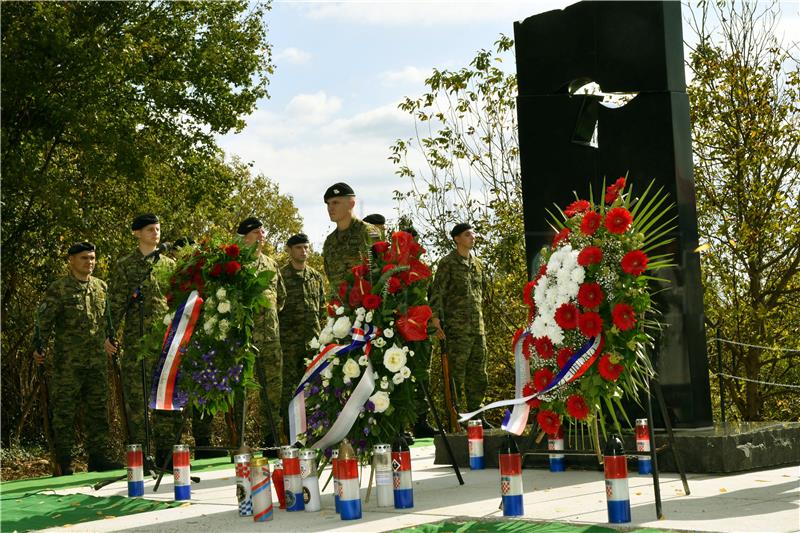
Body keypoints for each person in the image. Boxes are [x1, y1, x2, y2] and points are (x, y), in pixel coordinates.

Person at [34, 242, 122, 474]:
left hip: (96, 363)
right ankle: (64, 461)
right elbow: (43, 323)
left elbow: (107, 322)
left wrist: (110, 340)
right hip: (68, 363)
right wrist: (39, 347)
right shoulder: (59, 288)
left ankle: (98, 457)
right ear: (71, 260)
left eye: (92, 258)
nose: (89, 262)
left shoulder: (101, 287)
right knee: (64, 411)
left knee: (98, 410)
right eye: (84, 258)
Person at [105, 214, 180, 466]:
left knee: (165, 398)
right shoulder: (125, 265)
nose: (155, 233)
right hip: (137, 343)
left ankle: (165, 456)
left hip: (165, 343)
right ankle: (141, 457)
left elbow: (178, 301)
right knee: (137, 402)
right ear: (137, 233)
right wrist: (109, 335)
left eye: (157, 229)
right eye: (149, 229)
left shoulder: (169, 265)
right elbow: (114, 303)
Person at [428, 223, 490, 423]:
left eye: (473, 233)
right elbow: (437, 292)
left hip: (477, 328)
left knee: (479, 374)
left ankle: (477, 417)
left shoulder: (478, 264)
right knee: (456, 376)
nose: (473, 237)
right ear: (456, 239)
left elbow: (483, 295)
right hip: (456, 330)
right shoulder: (448, 263)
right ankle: (457, 419)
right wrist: (435, 320)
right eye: (467, 234)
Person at [234, 217, 286, 448]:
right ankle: (240, 440)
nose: (261, 235)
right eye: (256, 232)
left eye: (262, 231)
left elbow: (281, 298)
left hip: (271, 339)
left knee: (273, 391)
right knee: (241, 392)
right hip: (243, 340)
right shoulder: (234, 265)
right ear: (245, 237)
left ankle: (271, 438)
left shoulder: (271, 264)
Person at [278, 233, 326, 434]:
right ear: (289, 250)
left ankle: (315, 431)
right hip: (289, 344)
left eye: (306, 247)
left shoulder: (316, 277)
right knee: (288, 390)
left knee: (315, 388)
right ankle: (289, 433)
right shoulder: (281, 276)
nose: (303, 251)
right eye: (299, 248)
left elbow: (322, 309)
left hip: (312, 343)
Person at [322, 182, 381, 291]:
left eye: (335, 203)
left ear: (351, 204)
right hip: (340, 304)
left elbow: (378, 271)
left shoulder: (367, 232)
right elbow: (330, 277)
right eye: (328, 204)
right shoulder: (329, 241)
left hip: (365, 303)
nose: (330, 208)